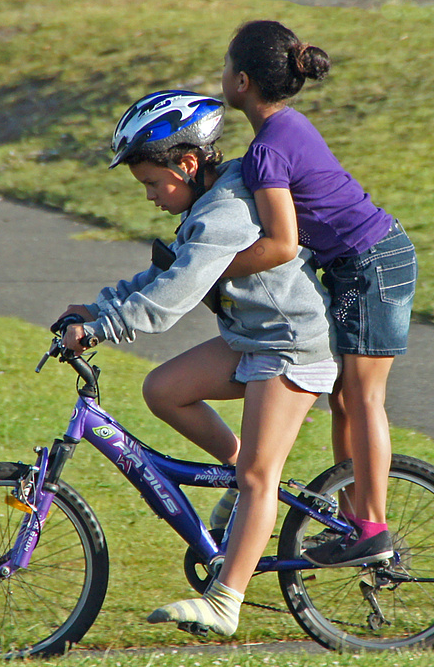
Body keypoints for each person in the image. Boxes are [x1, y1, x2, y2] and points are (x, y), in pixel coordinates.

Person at [57, 89, 338, 637]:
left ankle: (226, 601)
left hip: (290, 345)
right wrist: (100, 307)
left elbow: (171, 298)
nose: (150, 197)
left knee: (260, 476)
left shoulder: (226, 213)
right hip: (251, 338)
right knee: (164, 389)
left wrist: (101, 330)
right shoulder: (206, 206)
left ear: (188, 164)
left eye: (152, 184)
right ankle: (242, 480)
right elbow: (171, 271)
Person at [219, 20, 418, 567]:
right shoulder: (288, 126)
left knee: (361, 398)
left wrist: (214, 270)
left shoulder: (267, 152)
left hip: (370, 265)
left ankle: (370, 527)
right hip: (372, 259)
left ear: (241, 81)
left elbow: (281, 245)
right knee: (345, 401)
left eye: (223, 66)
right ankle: (356, 521)